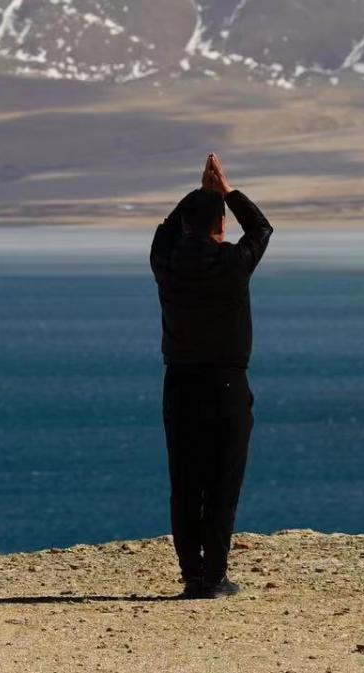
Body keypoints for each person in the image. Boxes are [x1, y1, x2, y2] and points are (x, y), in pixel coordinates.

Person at [149, 152, 272, 600]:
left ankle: (191, 575)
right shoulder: (233, 264)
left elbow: (164, 231)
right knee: (222, 483)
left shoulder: (166, 264)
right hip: (226, 385)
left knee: (185, 483)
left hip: (179, 383)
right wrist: (227, 191)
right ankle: (214, 577)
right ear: (222, 225)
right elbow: (261, 229)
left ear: (186, 225)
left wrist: (199, 194)